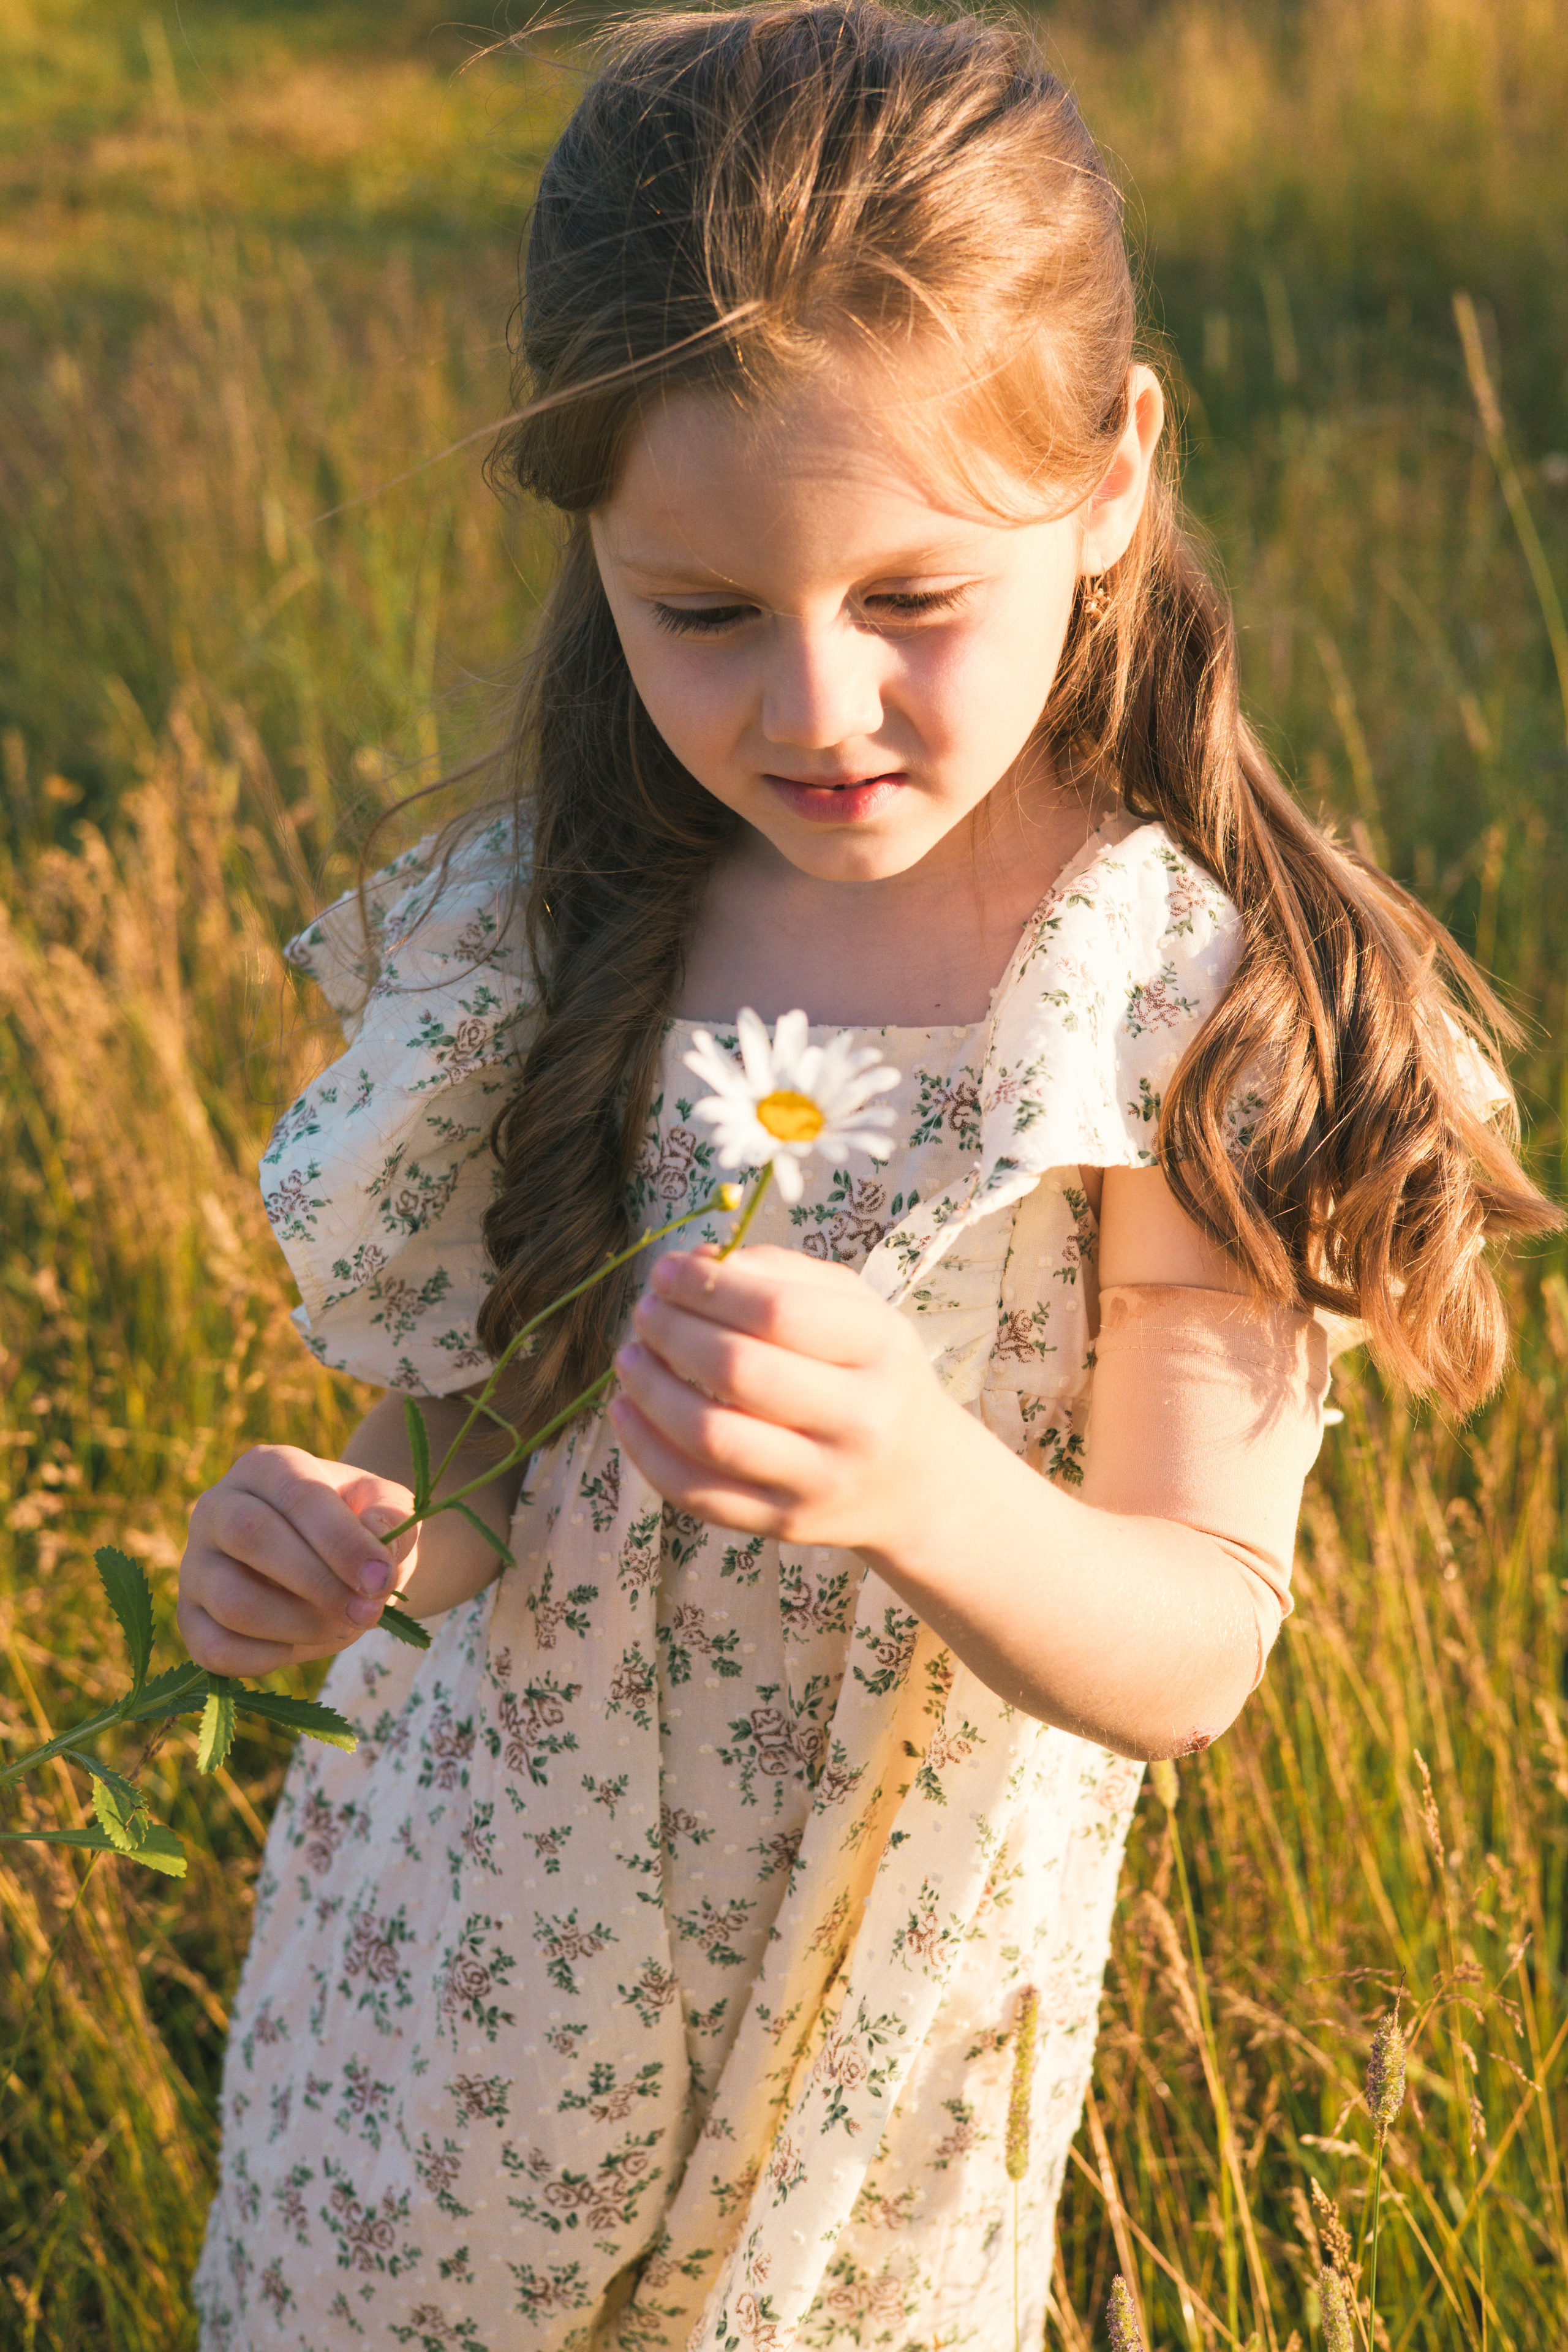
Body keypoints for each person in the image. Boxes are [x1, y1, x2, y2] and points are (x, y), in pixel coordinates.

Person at [183, 6, 1556, 2345]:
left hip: (862, 2054)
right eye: (702, 613)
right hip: (471, 2007)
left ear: (1112, 477)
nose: (814, 709)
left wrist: (926, 1483)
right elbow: (500, 1451)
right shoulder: (570, 921)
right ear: (597, 547)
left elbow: (1197, 1639)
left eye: (912, 599)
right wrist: (349, 1533)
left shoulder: (1171, 1019)